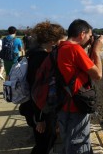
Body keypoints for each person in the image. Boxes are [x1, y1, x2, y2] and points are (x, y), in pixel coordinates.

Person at [19, 20, 66, 154]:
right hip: (40, 111)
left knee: (44, 143)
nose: (62, 45)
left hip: (35, 107)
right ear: (52, 41)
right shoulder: (43, 59)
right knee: (44, 145)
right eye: (61, 41)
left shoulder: (33, 53)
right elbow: (39, 90)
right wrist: (39, 119)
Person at [57, 19, 103, 154]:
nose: (90, 39)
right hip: (76, 106)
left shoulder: (61, 47)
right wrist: (96, 51)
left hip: (63, 103)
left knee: (68, 143)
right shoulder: (75, 49)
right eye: (89, 36)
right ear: (82, 34)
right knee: (79, 145)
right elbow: (98, 75)